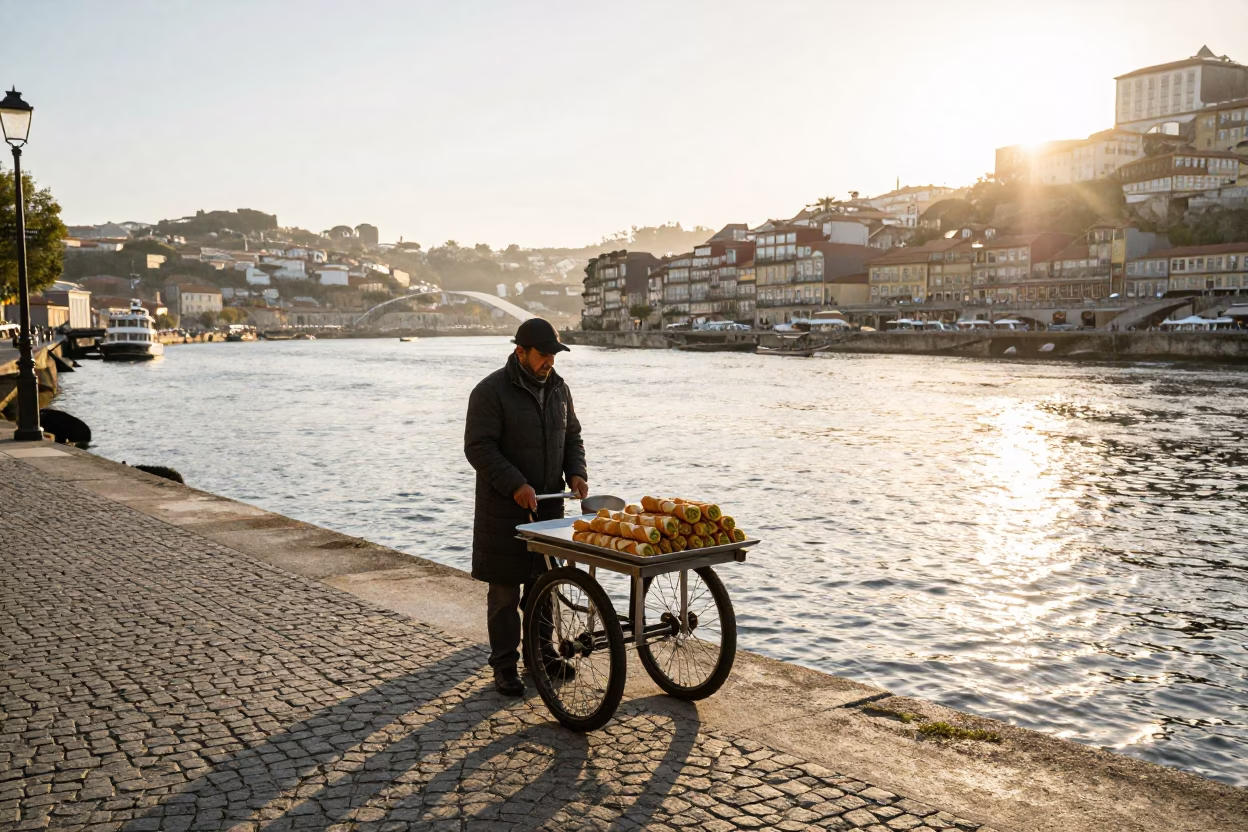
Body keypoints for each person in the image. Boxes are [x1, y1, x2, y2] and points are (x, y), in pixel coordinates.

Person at [464, 318, 589, 696]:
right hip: (502, 511)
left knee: (543, 586)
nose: (550, 361)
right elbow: (479, 448)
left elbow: (573, 438)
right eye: (543, 354)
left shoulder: (559, 388)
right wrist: (516, 484)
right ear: (520, 351)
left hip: (550, 507)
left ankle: (542, 655)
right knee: (504, 592)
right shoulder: (490, 392)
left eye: (554, 354)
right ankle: (504, 665)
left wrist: (577, 473)